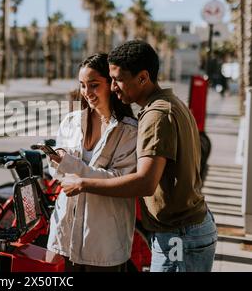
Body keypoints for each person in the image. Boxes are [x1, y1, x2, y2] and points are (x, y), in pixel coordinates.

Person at [60, 40, 217, 272]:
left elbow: (145, 182)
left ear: (143, 78)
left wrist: (83, 183)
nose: (113, 87)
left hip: (179, 234)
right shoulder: (171, 103)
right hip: (184, 230)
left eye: (118, 79)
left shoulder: (157, 116)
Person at [46, 53, 138, 272]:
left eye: (94, 85)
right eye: (83, 85)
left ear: (111, 84)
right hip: (63, 234)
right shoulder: (71, 122)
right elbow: (56, 173)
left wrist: (69, 164)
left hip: (103, 244)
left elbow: (121, 180)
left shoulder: (130, 131)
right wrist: (57, 160)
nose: (87, 93)